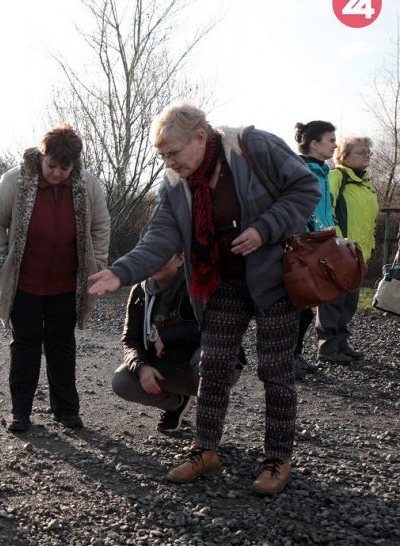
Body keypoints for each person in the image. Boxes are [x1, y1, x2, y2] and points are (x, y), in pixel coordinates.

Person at [88, 102, 319, 495]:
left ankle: (277, 459)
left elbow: (306, 188)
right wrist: (120, 272)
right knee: (213, 367)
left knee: (276, 372)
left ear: (200, 137)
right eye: (162, 155)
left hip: (275, 278)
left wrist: (265, 229)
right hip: (222, 282)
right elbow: (159, 238)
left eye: (173, 153)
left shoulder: (252, 146)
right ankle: (206, 450)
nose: (169, 162)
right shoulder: (174, 184)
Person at [0, 124, 110, 432]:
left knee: (62, 345)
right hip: (24, 283)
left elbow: (101, 225)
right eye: (51, 165)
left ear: (74, 164)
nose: (57, 174)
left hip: (66, 284)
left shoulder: (88, 186)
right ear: (42, 156)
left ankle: (66, 411)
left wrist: (98, 265)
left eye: (64, 168)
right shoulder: (15, 181)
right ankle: (20, 414)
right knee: (24, 347)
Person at [110, 251, 199, 433]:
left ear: (181, 259)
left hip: (196, 365)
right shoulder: (140, 290)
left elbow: (216, 329)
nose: (154, 261)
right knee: (122, 381)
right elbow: (130, 339)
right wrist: (141, 367)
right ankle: (177, 403)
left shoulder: (197, 284)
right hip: (165, 366)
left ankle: (209, 431)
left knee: (210, 362)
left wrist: (167, 336)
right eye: (150, 254)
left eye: (162, 254)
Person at [317, 137, 379, 363]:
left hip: (360, 254)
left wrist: (368, 247)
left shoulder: (366, 184)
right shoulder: (336, 177)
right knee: (333, 300)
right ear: (344, 155)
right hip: (340, 251)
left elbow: (369, 220)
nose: (367, 155)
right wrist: (339, 241)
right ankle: (327, 347)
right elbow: (327, 209)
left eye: (368, 152)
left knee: (349, 303)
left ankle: (341, 343)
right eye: (361, 152)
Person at [292, 120, 337, 377]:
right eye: (331, 140)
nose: (335, 145)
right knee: (299, 309)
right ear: (314, 144)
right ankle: (287, 358)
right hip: (305, 245)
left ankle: (292, 356)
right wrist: (308, 236)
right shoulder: (301, 170)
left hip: (321, 244)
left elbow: (326, 209)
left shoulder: (323, 171)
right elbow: (299, 208)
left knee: (305, 308)